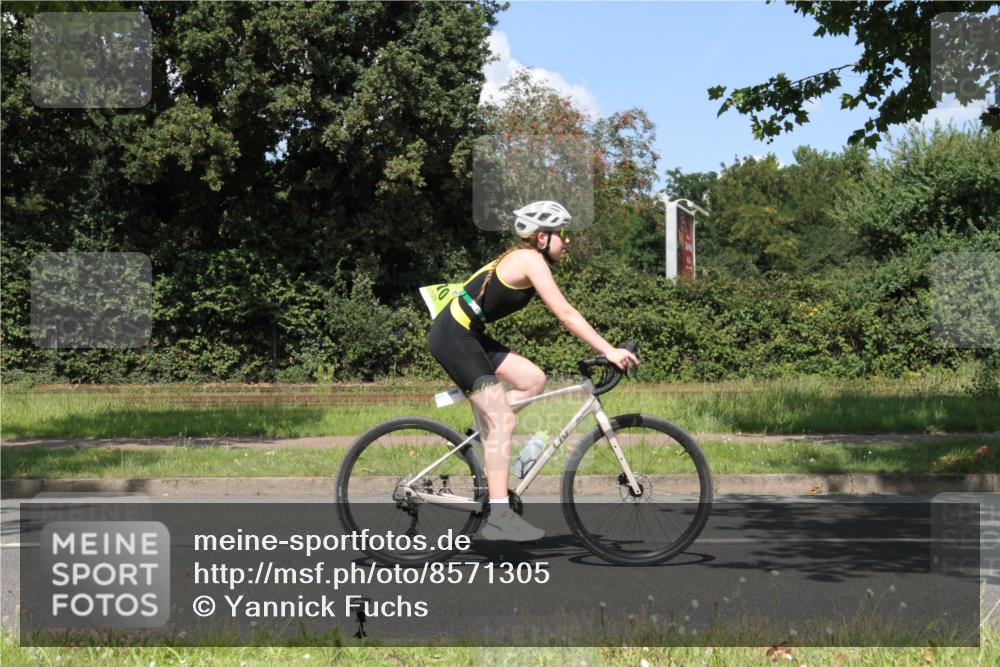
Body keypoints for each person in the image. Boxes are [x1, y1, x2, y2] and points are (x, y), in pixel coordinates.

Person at [426, 200, 640, 542]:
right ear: (542, 237)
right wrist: (608, 350)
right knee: (504, 422)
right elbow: (566, 314)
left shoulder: (527, 258)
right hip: (454, 336)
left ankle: (487, 425)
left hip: (470, 335)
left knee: (533, 379)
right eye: (563, 234)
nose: (567, 241)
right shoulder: (530, 261)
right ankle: (498, 516)